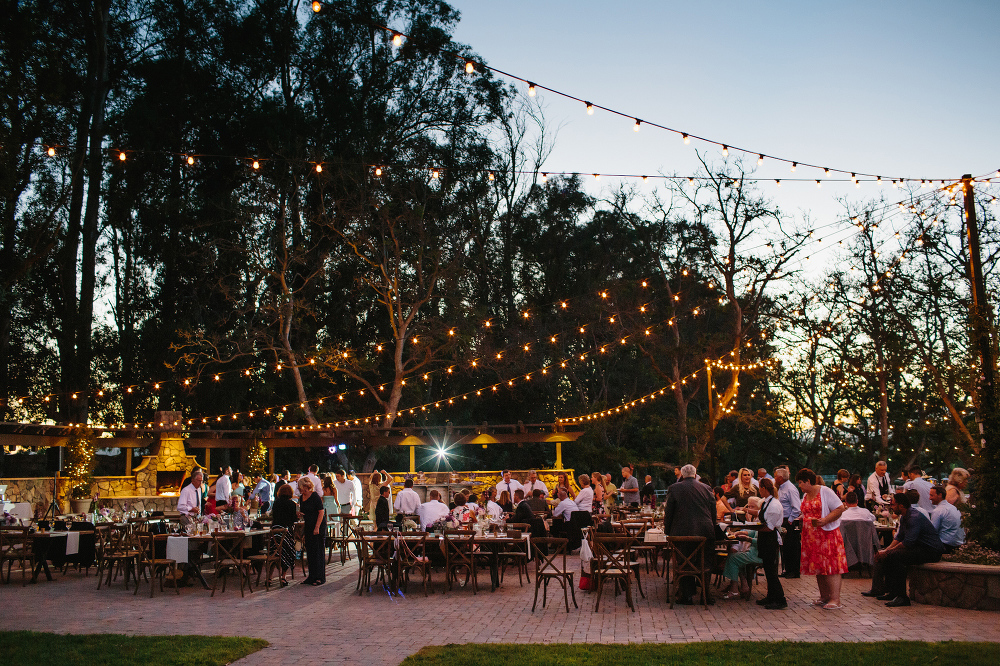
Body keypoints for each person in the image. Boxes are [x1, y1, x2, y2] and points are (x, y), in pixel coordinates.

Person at [863, 493, 944, 607]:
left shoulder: (914, 517)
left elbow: (907, 542)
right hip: (919, 548)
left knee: (896, 556)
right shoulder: (905, 516)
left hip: (930, 551)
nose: (891, 507)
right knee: (890, 554)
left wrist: (888, 552)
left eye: (893, 504)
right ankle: (892, 592)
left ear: (901, 505)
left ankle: (902, 597)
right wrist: (886, 550)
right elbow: (899, 537)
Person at [663, 464, 717, 605]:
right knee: (705, 562)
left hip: (682, 532)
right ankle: (706, 594)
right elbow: (713, 511)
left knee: (684, 563)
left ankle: (686, 595)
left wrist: (667, 530)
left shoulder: (674, 488)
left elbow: (669, 512)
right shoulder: (706, 488)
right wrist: (712, 526)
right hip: (705, 531)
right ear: (695, 474)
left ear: (681, 474)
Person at [797, 468, 848, 610]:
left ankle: (835, 599)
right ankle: (824, 596)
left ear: (808, 481)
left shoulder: (825, 491)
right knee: (819, 566)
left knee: (831, 566)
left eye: (801, 482)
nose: (800, 486)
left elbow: (839, 508)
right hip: (812, 537)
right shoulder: (806, 495)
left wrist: (825, 520)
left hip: (827, 535)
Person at [754, 478, 787, 609]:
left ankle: (780, 599)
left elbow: (770, 526)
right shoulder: (766, 502)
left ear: (764, 488)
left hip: (770, 539)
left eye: (760, 488)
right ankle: (771, 596)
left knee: (772, 571)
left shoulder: (774, 505)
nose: (759, 491)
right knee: (767, 569)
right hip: (764, 538)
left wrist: (753, 528)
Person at [297, 476, 326, 585]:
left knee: (318, 551)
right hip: (308, 525)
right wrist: (299, 514)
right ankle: (311, 576)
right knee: (310, 551)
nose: (301, 490)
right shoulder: (301, 497)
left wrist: (317, 527)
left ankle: (319, 577)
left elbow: (321, 512)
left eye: (302, 488)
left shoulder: (315, 496)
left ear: (306, 486)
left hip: (317, 525)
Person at [775, 467, 801, 578]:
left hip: (789, 520)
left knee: (792, 546)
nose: (774, 478)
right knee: (785, 547)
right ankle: (787, 569)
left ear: (780, 478)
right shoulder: (780, 488)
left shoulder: (790, 489)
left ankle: (794, 571)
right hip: (783, 519)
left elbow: (797, 508)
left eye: (775, 476)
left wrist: (790, 520)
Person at [719, 529, 761, 600]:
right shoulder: (764, 526)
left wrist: (747, 539)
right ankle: (744, 584)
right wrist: (739, 533)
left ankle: (734, 588)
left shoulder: (769, 528)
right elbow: (752, 532)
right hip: (755, 552)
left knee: (733, 557)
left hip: (759, 555)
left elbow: (762, 542)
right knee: (738, 556)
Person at [270, 483, 297, 587]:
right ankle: (283, 577)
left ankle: (269, 577)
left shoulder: (276, 503)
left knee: (273, 552)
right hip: (286, 532)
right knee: (287, 552)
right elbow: (293, 520)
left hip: (275, 531)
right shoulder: (292, 504)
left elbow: (274, 516)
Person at [929, 484, 964, 552]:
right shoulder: (953, 508)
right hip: (958, 543)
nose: (929, 498)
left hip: (946, 545)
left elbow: (932, 532)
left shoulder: (938, 511)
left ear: (940, 495)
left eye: (932, 495)